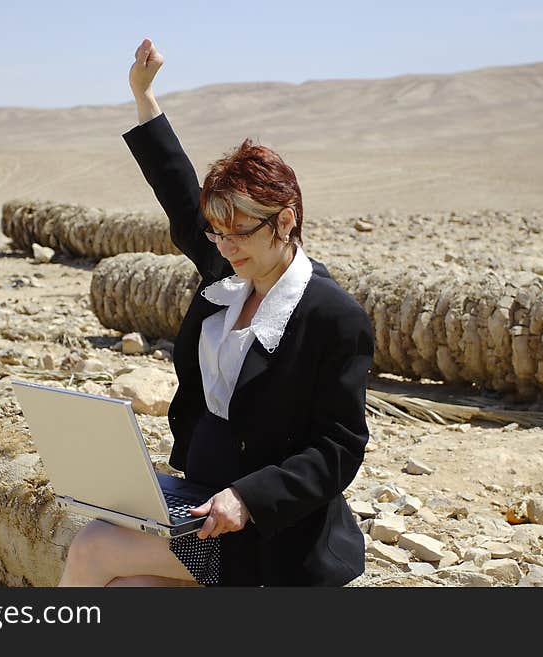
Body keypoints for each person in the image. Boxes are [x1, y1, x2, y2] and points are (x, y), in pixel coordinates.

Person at [57, 38, 374, 587]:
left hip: (270, 532)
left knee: (93, 548)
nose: (225, 247)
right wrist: (143, 96)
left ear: (285, 220)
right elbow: (180, 193)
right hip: (200, 502)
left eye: (240, 232)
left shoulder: (331, 315)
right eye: (217, 233)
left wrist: (249, 499)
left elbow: (339, 447)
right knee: (132, 590)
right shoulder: (233, 271)